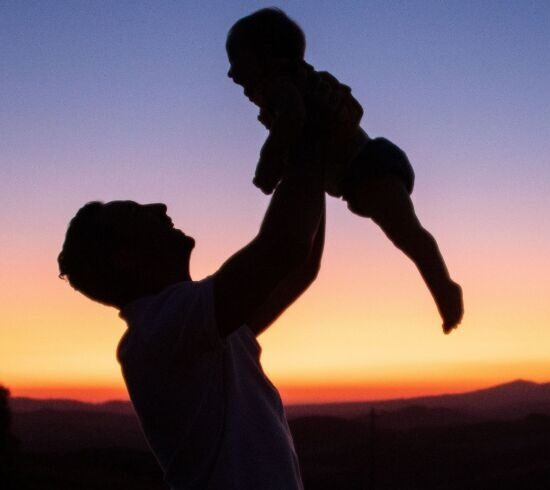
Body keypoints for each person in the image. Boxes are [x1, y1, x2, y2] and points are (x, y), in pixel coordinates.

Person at [57, 80, 359, 489]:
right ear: (125, 257)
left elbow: (297, 264)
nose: (158, 206)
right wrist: (308, 133)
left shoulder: (197, 327)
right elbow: (285, 247)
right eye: (134, 211)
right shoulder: (159, 330)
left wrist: (308, 155)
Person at [226, 7, 464, 333]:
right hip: (343, 174)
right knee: (309, 262)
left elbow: (292, 120)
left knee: (408, 235)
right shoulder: (291, 83)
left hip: (368, 167)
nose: (230, 73)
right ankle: (246, 329)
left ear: (266, 55)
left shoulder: (280, 86)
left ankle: (444, 288)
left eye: (237, 60)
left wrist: (268, 165)